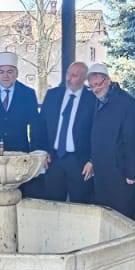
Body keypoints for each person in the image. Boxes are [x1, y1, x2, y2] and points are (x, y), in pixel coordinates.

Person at [85, 63, 135, 217]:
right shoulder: (98, 100)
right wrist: (92, 161)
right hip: (102, 173)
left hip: (121, 174)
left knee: (121, 217)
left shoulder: (127, 103)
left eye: (98, 84)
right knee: (105, 216)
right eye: (91, 86)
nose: (95, 89)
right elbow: (98, 136)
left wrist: (132, 173)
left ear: (108, 80)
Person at [39, 61, 95, 203]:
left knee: (79, 204)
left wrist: (92, 160)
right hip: (53, 159)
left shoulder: (92, 100)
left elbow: (97, 134)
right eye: (68, 74)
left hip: (79, 162)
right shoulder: (52, 95)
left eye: (75, 75)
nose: (69, 78)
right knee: (53, 203)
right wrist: (42, 151)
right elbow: (40, 126)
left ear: (84, 78)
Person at [0, 51, 43, 152]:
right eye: (1, 72)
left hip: (20, 152)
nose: (5, 76)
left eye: (9, 72)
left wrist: (36, 151)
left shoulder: (28, 93)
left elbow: (35, 126)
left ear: (16, 73)